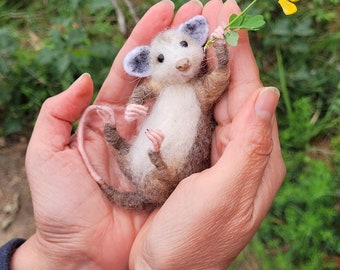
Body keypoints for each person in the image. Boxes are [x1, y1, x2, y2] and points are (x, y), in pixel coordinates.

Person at [0, 0, 286, 269]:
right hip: (141, 165)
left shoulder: (199, 92)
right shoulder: (157, 88)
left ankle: (147, 159)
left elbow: (219, 76)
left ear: (198, 38)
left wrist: (221, 50)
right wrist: (133, 110)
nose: (181, 62)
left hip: (165, 171)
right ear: (147, 66)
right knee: (132, 154)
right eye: (162, 59)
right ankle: (128, 151)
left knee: (158, 168)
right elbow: (139, 95)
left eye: (184, 45)